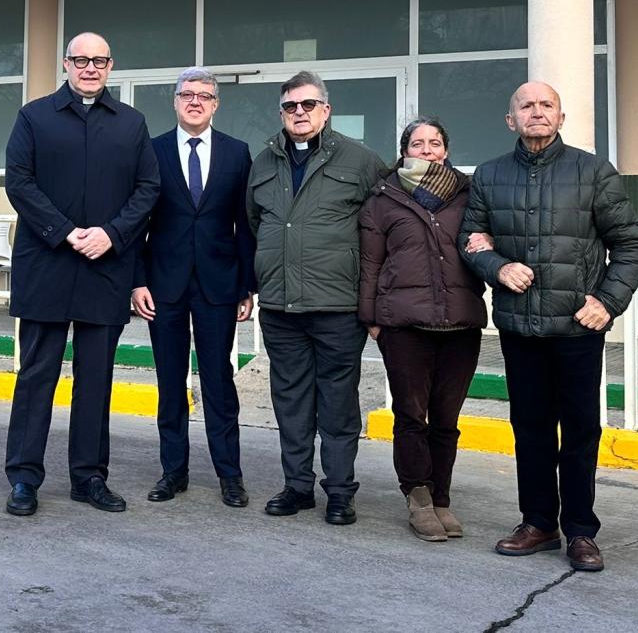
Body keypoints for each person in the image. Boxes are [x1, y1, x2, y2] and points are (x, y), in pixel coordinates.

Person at [461, 81, 638, 573]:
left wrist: (608, 302)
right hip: (519, 327)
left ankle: (582, 531)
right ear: (511, 120)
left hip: (577, 328)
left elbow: (630, 245)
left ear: (561, 118)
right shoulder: (490, 175)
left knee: (581, 432)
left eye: (547, 105)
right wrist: (498, 267)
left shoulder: (594, 172)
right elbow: (471, 239)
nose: (537, 112)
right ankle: (539, 523)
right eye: (526, 105)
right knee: (530, 429)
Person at [2, 32, 160, 517]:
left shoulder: (131, 124)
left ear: (110, 66)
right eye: (81, 60)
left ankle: (89, 476)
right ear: (66, 64)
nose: (90, 68)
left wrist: (112, 234)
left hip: (105, 269)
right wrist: (65, 231)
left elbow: (148, 187)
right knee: (36, 377)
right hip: (46, 265)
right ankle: (24, 477)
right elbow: (19, 182)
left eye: (99, 60)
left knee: (96, 380)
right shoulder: (34, 117)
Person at [247, 70, 385, 526]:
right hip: (280, 307)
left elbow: (381, 227)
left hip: (337, 307)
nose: (300, 113)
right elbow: (255, 223)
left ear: (326, 110)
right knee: (290, 402)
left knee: (338, 404)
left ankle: (340, 492)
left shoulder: (360, 160)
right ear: (281, 112)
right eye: (291, 106)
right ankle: (297, 487)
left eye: (308, 105)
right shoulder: (263, 163)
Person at [132, 68, 256, 508]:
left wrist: (247, 286)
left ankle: (230, 476)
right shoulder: (152, 151)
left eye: (204, 95)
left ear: (216, 104)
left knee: (219, 381)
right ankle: (173, 472)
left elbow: (246, 225)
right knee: (170, 381)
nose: (195, 102)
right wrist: (138, 281)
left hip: (219, 286)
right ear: (175, 101)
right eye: (187, 94)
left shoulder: (238, 153)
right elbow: (138, 222)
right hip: (163, 285)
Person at [358, 117, 486, 542]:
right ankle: (418, 497)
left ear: (445, 150)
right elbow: (371, 262)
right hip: (403, 323)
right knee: (412, 415)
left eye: (434, 143)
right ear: (404, 151)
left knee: (446, 418)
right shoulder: (383, 197)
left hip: (461, 320)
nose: (426, 150)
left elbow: (486, 245)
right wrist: (371, 317)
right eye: (418, 143)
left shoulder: (470, 194)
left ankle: (441, 498)